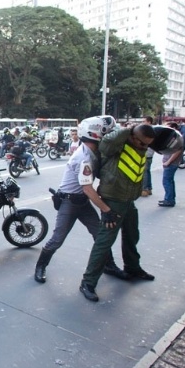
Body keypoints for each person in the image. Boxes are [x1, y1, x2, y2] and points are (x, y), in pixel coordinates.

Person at [34, 116, 128, 283]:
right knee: (57, 239)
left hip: (82, 202)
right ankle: (40, 266)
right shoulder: (84, 157)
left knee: (100, 235)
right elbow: (87, 188)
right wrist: (107, 210)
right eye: (106, 134)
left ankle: (109, 265)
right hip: (69, 202)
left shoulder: (92, 151)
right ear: (96, 135)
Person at [79, 124, 156, 302]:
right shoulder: (115, 146)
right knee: (104, 242)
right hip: (113, 200)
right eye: (142, 143)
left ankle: (132, 268)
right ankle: (88, 282)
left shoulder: (139, 145)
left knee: (132, 235)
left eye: (147, 145)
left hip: (128, 200)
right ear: (132, 136)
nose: (144, 147)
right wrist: (128, 129)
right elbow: (106, 143)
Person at [158, 123, 184, 207]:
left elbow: (177, 151)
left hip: (171, 163)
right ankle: (170, 198)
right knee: (170, 181)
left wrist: (168, 162)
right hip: (171, 163)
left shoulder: (177, 138)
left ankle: (169, 199)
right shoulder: (174, 137)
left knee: (167, 181)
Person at [141, 116, 155, 197]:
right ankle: (149, 187)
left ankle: (145, 188)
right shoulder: (151, 130)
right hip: (149, 153)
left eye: (144, 121)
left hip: (147, 153)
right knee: (147, 171)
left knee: (145, 171)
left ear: (149, 122)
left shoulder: (149, 131)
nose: (143, 123)